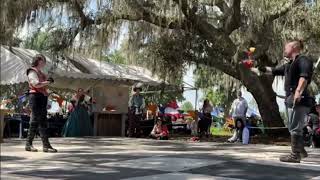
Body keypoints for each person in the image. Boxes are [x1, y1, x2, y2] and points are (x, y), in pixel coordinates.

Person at [259, 40, 315, 163]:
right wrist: (258, 67)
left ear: (294, 47)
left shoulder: (303, 60)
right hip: (291, 99)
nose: (284, 50)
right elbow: (274, 70)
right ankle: (300, 151)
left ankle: (295, 155)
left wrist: (298, 92)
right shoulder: (290, 64)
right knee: (293, 127)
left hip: (300, 99)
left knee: (295, 128)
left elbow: (304, 76)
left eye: (286, 47)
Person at [25, 54, 57, 153]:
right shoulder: (32, 71)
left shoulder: (41, 73)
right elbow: (36, 84)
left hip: (41, 97)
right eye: (43, 60)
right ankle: (28, 144)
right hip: (35, 97)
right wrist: (47, 82)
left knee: (43, 121)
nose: (45, 62)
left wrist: (47, 94)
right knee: (35, 120)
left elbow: (42, 87)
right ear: (38, 60)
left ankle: (46, 146)